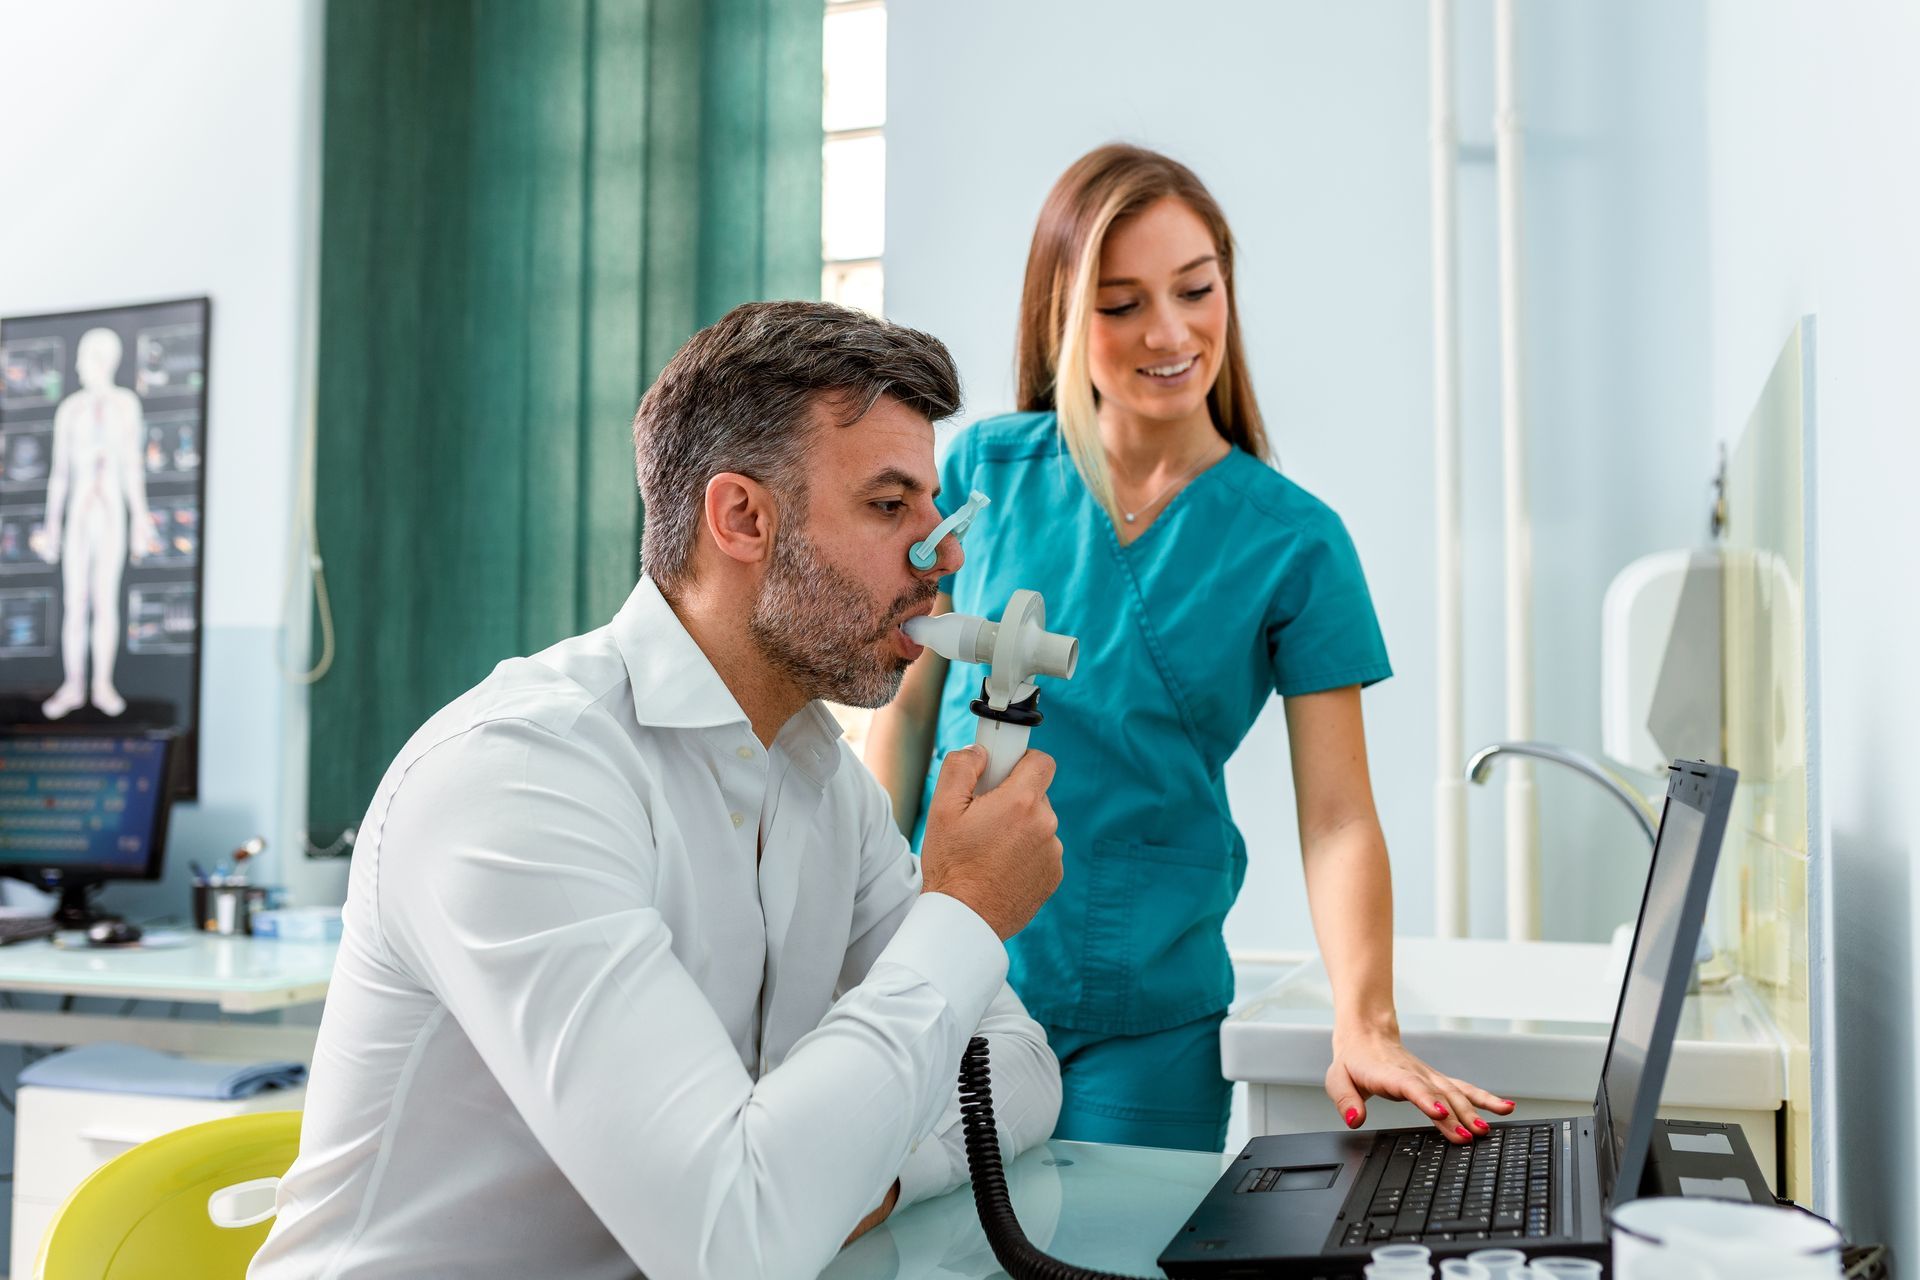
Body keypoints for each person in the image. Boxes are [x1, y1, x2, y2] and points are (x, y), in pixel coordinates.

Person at [250, 302, 1065, 1280]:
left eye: (932, 508)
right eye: (891, 507)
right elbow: (739, 1238)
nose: (946, 557)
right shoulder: (520, 777)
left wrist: (874, 1179)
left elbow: (1016, 1070)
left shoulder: (826, 788)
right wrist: (965, 909)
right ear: (741, 517)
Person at [866, 145, 1513, 1154]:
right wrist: (858, 936)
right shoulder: (984, 469)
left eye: (1196, 289)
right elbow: (904, 714)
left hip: (1150, 1021)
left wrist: (1366, 1016)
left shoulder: (1294, 543)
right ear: (1063, 316)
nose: (1169, 332)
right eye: (1122, 303)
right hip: (949, 977)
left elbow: (1339, 814)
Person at [37, 327, 160, 719]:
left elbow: (132, 468)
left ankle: (102, 684)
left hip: (111, 511)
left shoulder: (126, 405)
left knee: (105, 599)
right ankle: (73, 684)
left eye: (84, 357)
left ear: (102, 360)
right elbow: (59, 474)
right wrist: (51, 526)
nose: (77, 365)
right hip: (79, 511)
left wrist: (141, 519)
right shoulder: (70, 409)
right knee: (76, 601)